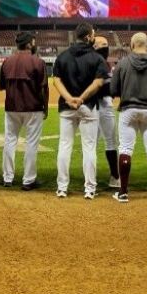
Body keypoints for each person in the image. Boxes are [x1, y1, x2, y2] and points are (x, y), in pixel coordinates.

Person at [109, 32, 147, 202]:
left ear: (132, 44)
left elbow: (113, 90)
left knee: (125, 149)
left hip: (128, 109)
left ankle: (123, 193)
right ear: (146, 44)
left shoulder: (122, 63)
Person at [52, 23, 109, 198]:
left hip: (67, 107)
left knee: (64, 146)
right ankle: (89, 189)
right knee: (89, 148)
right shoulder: (97, 58)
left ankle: (62, 187)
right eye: (93, 34)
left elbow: (56, 81)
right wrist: (81, 98)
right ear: (87, 37)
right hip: (89, 106)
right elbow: (98, 83)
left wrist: (69, 98)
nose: (94, 36)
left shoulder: (62, 56)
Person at [0, 31, 48, 190]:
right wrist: (45, 107)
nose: (34, 44)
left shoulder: (7, 61)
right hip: (33, 108)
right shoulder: (38, 62)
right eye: (33, 42)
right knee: (31, 144)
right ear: (28, 44)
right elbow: (43, 89)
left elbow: (1, 86)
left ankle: (7, 178)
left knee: (9, 141)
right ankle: (28, 180)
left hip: (11, 108)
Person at [93, 35, 121, 188]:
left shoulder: (91, 61)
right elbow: (109, 88)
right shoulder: (102, 63)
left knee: (95, 142)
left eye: (106, 45)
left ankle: (94, 179)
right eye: (102, 45)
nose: (105, 48)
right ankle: (113, 177)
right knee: (107, 142)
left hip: (94, 105)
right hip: (101, 104)